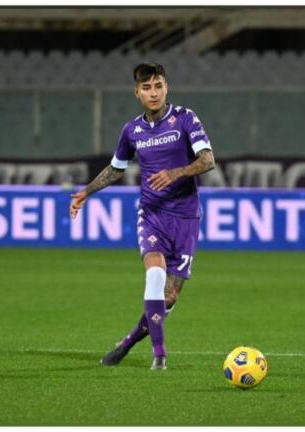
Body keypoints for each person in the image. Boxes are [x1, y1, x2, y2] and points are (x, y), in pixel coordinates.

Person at [70, 63, 215, 370]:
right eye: (147, 88)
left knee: (169, 297)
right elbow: (116, 169)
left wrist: (176, 172)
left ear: (167, 87)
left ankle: (127, 343)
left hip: (185, 217)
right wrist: (86, 191)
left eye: (159, 86)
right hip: (151, 214)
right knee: (155, 274)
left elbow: (207, 160)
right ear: (137, 92)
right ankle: (159, 355)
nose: (154, 93)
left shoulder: (185, 118)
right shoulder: (132, 131)